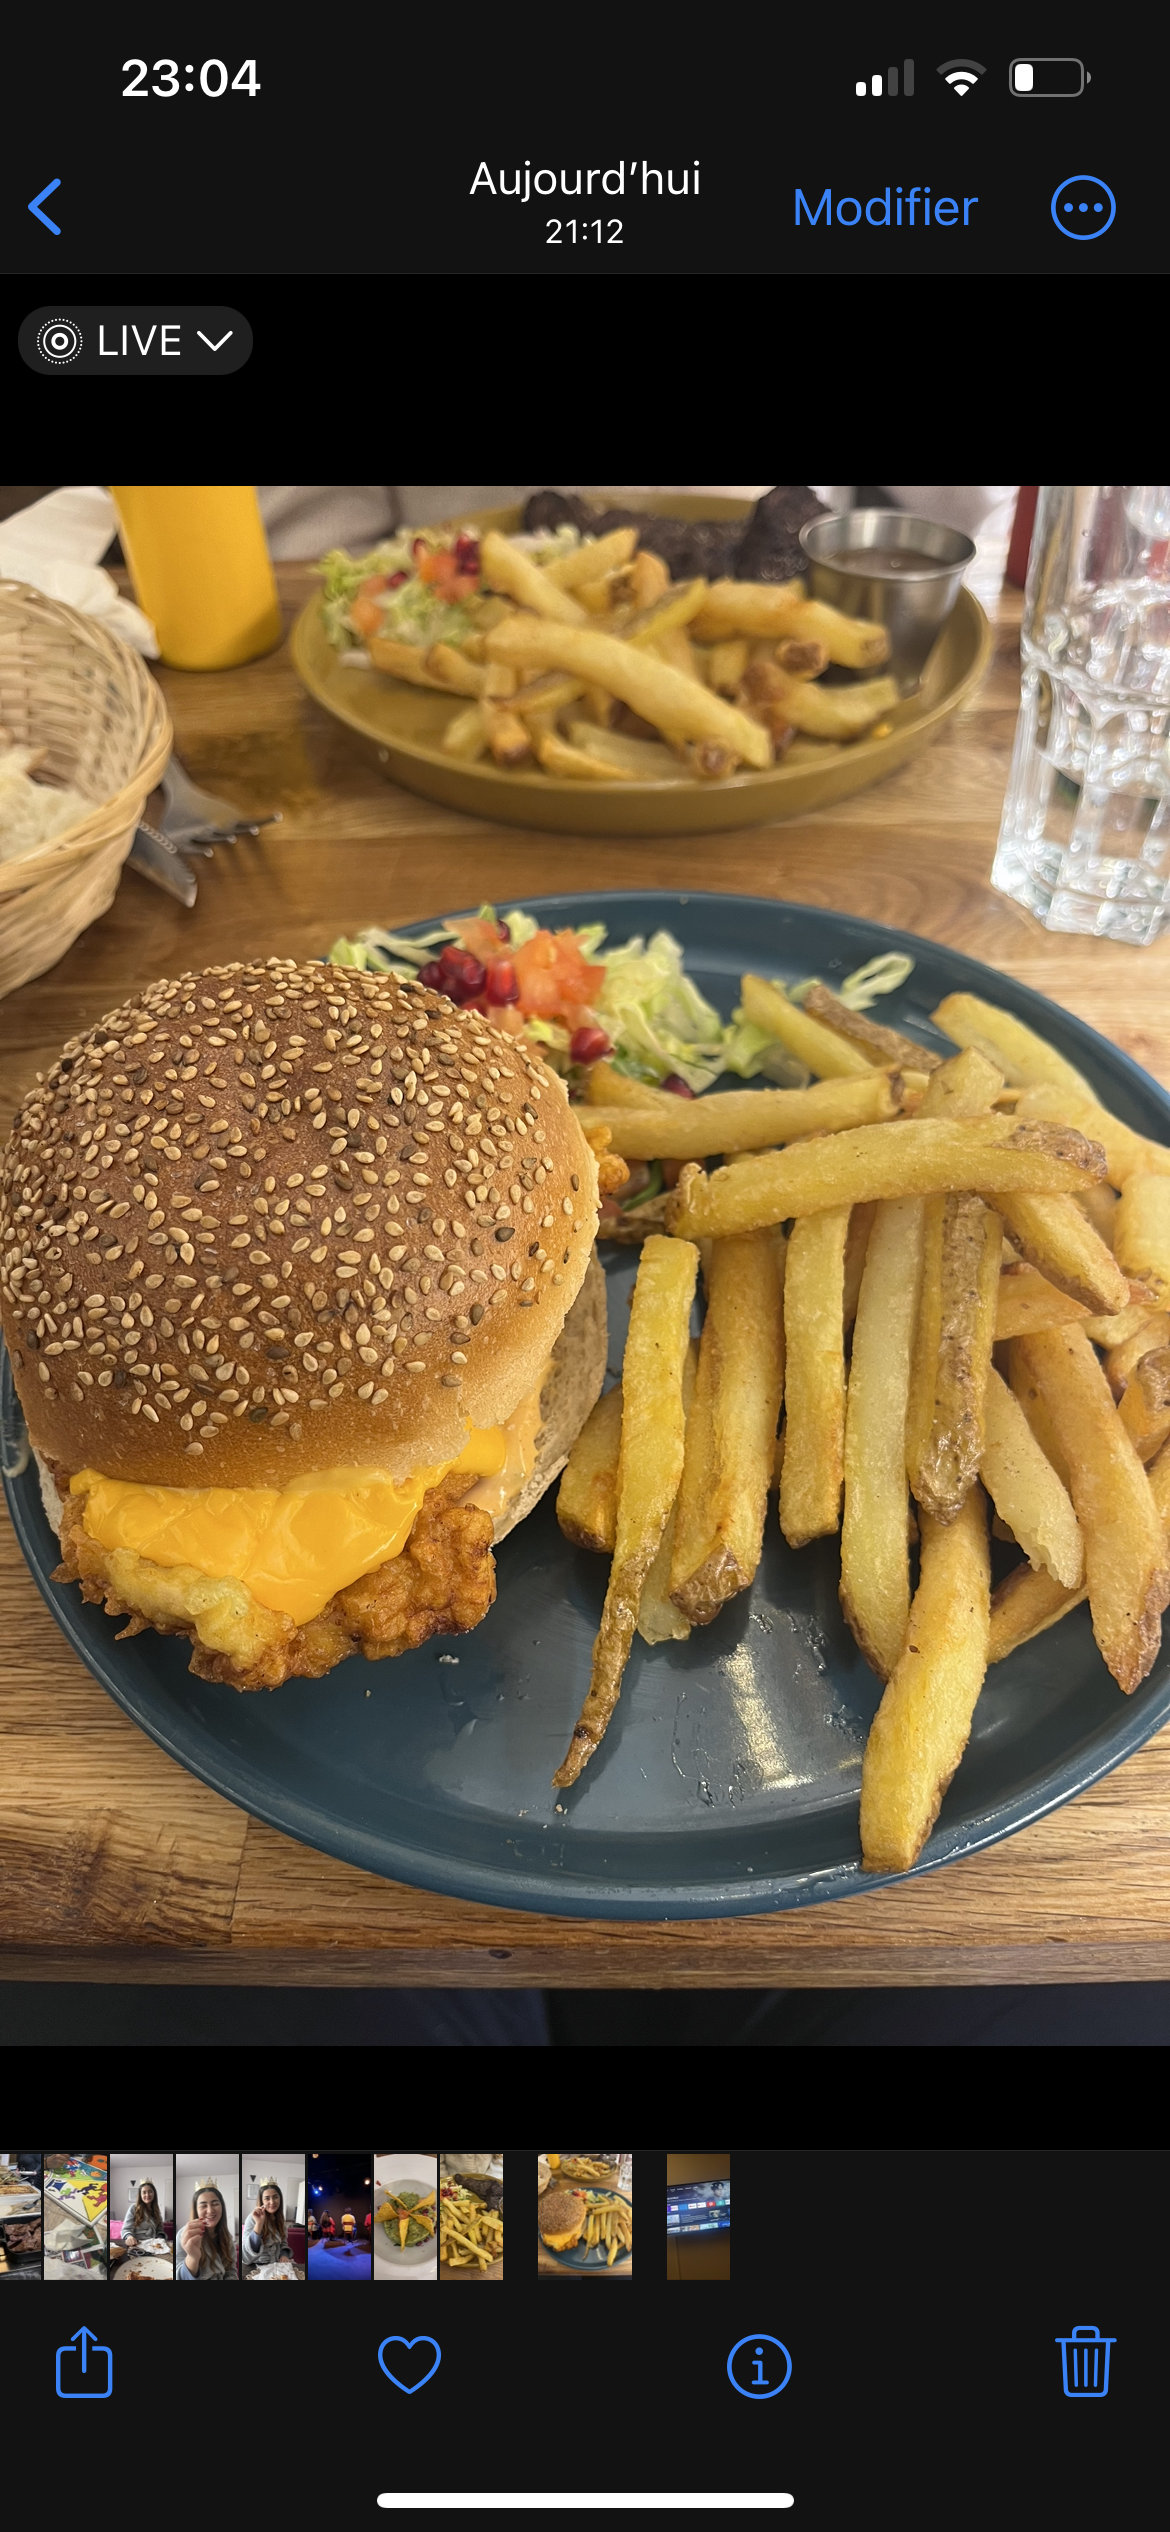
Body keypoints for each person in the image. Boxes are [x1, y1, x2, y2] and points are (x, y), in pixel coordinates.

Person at [177, 2182, 236, 2281]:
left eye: (215, 2204)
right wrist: (193, 2257)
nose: (210, 2210)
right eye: (203, 2206)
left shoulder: (227, 2237)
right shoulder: (185, 2235)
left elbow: (231, 2271)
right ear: (196, 2210)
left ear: (222, 2207)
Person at [242, 2178, 292, 2275]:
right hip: (257, 2267)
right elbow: (246, 2256)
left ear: (280, 2199)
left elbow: (283, 2243)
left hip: (277, 2265)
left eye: (275, 2197)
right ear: (261, 2201)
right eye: (267, 2198)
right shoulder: (251, 2219)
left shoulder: (280, 2219)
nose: (272, 2202)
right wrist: (259, 2224)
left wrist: (284, 2255)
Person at [112, 2176, 166, 2263]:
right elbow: (126, 2229)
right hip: (137, 2245)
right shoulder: (133, 2208)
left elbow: (160, 2229)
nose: (147, 2195)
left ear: (154, 2193)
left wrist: (160, 2237)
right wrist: (129, 2237)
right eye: (144, 2192)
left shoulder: (156, 2211)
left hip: (153, 2245)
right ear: (140, 2195)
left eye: (150, 2191)